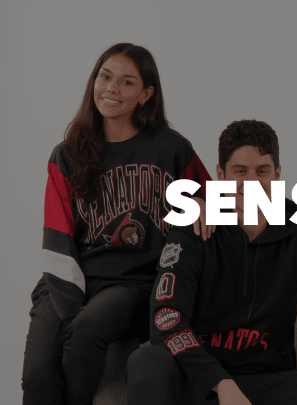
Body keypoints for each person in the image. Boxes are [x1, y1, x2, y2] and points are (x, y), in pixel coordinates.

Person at [126, 119, 297, 405]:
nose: (251, 183)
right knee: (147, 360)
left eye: (262, 171)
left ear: (277, 174)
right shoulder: (195, 229)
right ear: (220, 175)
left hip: (267, 386)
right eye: (240, 171)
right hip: (201, 386)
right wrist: (221, 384)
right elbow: (166, 319)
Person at [21, 43, 213, 405]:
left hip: (133, 283)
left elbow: (221, 207)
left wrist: (204, 201)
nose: (111, 88)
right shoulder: (66, 154)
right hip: (67, 275)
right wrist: (68, 305)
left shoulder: (171, 149)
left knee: (86, 331)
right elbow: (57, 237)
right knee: (37, 376)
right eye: (105, 77)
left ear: (146, 94)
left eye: (127, 82)